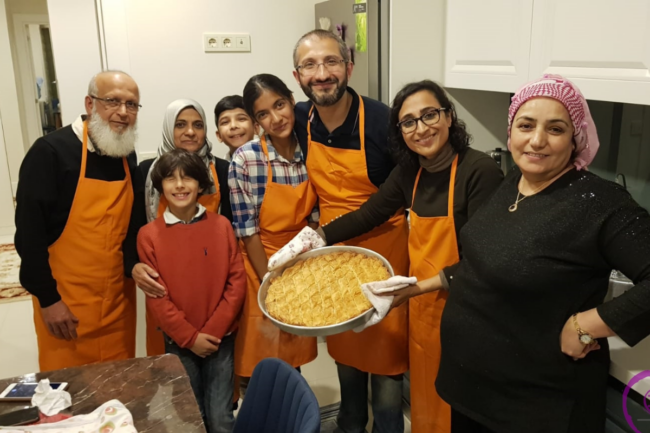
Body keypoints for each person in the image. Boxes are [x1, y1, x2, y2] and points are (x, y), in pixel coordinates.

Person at [389, 75, 650, 433]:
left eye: (555, 129)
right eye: (526, 126)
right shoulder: (514, 182)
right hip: (470, 393)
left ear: (576, 139)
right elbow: (484, 264)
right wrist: (415, 288)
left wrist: (587, 325)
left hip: (534, 408)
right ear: (511, 131)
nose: (537, 140)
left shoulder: (600, 203)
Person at [274, 80, 503, 432]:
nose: (421, 128)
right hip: (425, 312)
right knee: (428, 399)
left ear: (449, 116)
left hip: (465, 311)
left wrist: (413, 289)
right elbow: (370, 213)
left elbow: (483, 261)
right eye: (408, 122)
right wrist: (314, 238)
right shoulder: (412, 170)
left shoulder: (480, 172)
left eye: (430, 115)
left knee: (458, 409)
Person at [292, 29, 410, 433]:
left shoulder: (383, 122)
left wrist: (324, 233)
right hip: (336, 258)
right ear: (297, 76)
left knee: (388, 375)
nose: (321, 73)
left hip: (386, 253)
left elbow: (397, 195)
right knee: (346, 355)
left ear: (349, 68)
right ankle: (350, 424)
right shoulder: (298, 117)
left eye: (331, 62)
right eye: (310, 65)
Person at [15, 70, 140, 371]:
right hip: (66, 309)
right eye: (113, 101)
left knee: (119, 395)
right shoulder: (49, 153)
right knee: (70, 400)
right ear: (90, 103)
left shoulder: (126, 155)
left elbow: (130, 229)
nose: (123, 112)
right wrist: (48, 300)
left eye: (132, 105)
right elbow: (29, 237)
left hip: (118, 307)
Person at [137, 149, 246, 433]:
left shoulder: (221, 226)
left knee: (222, 417)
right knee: (192, 415)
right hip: (179, 343)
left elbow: (236, 283)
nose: (180, 185)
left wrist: (214, 331)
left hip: (220, 339)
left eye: (187, 178)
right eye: (171, 179)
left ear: (200, 184)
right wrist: (190, 337)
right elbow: (156, 296)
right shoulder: (148, 235)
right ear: (161, 186)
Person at [229, 74, 319, 383]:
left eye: (280, 105)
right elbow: (247, 230)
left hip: (300, 261)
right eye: (263, 114)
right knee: (261, 363)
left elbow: (316, 217)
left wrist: (301, 267)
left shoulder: (311, 152)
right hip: (260, 265)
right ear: (256, 122)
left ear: (292, 101)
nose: (276, 118)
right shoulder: (245, 160)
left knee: (293, 359)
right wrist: (272, 280)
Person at [131, 99, 232, 356]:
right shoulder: (146, 173)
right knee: (172, 376)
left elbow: (231, 233)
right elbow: (132, 229)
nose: (190, 131)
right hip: (166, 293)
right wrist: (132, 266)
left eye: (198, 125)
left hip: (213, 292)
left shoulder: (222, 170)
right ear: (168, 129)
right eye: (181, 125)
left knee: (218, 382)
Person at [214, 95, 258, 162]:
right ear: (219, 136)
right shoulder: (219, 169)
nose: (233, 126)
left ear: (256, 127)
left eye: (241, 119)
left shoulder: (273, 160)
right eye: (225, 122)